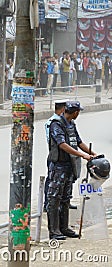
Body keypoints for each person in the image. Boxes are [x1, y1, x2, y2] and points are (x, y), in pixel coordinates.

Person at [47, 100, 96, 240]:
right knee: (54, 198)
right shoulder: (56, 125)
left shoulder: (71, 125)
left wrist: (92, 154)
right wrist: (82, 155)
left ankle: (64, 228)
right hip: (58, 166)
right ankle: (54, 231)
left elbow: (78, 142)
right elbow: (62, 144)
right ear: (75, 112)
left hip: (70, 166)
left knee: (66, 198)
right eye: (78, 111)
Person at [43, 99, 67, 211]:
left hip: (60, 156)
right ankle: (47, 204)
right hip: (55, 156)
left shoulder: (63, 121)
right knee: (51, 181)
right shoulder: (53, 122)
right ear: (62, 109)